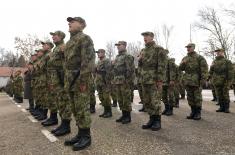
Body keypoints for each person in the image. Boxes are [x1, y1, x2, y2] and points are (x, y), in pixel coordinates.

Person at [63, 17, 95, 151]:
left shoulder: (85, 38)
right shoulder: (70, 41)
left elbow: (88, 61)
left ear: (81, 25)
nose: (69, 23)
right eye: (69, 22)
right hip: (70, 80)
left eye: (73, 21)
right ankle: (80, 134)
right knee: (75, 109)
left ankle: (86, 137)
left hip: (80, 79)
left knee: (82, 108)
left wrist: (82, 81)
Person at [140, 31, 167, 131]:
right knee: (147, 101)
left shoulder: (158, 49)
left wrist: (160, 80)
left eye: (146, 36)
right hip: (145, 79)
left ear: (152, 37)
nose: (144, 38)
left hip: (154, 80)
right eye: (144, 36)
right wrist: (140, 60)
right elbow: (141, 66)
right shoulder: (143, 50)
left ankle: (157, 121)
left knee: (155, 101)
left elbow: (162, 65)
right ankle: (151, 120)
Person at [179, 43, 208, 120]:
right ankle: (193, 112)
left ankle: (198, 113)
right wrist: (182, 63)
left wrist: (203, 80)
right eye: (187, 47)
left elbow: (204, 70)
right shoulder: (185, 58)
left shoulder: (199, 58)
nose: (188, 48)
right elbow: (181, 68)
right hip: (188, 81)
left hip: (196, 80)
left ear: (194, 48)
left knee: (197, 97)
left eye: (189, 47)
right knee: (190, 97)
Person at [113, 41, 135, 124]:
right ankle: (123, 115)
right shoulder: (117, 57)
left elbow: (130, 70)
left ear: (124, 46)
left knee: (126, 99)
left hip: (125, 81)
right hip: (118, 80)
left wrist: (128, 82)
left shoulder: (127, 56)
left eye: (119, 45)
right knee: (120, 99)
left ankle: (128, 116)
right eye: (117, 45)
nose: (118, 47)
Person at [209, 48, 233, 113]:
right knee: (219, 94)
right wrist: (211, 67)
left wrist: (229, 82)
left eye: (219, 51)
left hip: (225, 81)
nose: (218, 53)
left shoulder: (227, 61)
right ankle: (221, 107)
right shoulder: (214, 62)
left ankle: (226, 108)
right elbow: (211, 72)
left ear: (223, 52)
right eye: (217, 52)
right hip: (216, 81)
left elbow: (230, 72)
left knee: (225, 94)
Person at [95, 49, 112, 118]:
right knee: (101, 97)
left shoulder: (106, 60)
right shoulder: (99, 61)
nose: (98, 54)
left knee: (106, 97)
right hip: (99, 82)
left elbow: (109, 72)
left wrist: (107, 82)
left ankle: (109, 112)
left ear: (103, 53)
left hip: (105, 82)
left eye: (99, 53)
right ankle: (105, 111)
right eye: (97, 53)